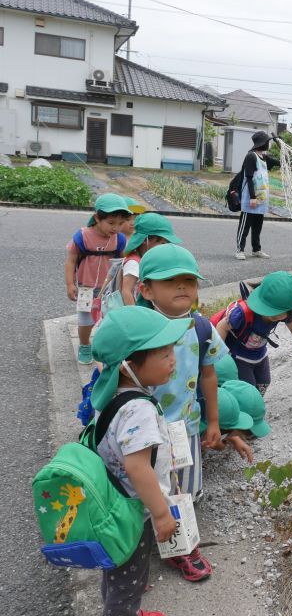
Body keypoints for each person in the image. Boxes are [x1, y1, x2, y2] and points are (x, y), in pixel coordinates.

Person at [90, 305, 190, 616]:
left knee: (120, 573)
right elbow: (137, 466)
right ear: (129, 363)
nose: (173, 359)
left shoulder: (115, 395)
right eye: (164, 353)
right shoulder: (140, 410)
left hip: (116, 505)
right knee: (128, 578)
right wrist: (161, 514)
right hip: (131, 511)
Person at [137, 244, 228, 582]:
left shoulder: (201, 328)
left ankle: (181, 548)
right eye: (171, 281)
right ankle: (133, 557)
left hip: (185, 428)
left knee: (182, 491)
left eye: (189, 281)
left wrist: (213, 421)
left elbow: (208, 375)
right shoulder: (137, 328)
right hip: (141, 431)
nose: (182, 288)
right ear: (146, 289)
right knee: (140, 488)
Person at [213, 271, 292, 396]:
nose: (279, 316)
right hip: (238, 356)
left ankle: (256, 404)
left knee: (264, 382)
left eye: (282, 312)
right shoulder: (242, 313)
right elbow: (222, 326)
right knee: (247, 388)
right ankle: (246, 407)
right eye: (272, 311)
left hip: (259, 354)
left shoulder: (285, 312)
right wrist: (218, 353)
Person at [65, 193, 132, 364]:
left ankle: (107, 346)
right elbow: (71, 260)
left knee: (109, 318)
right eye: (111, 223)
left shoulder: (120, 240)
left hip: (109, 288)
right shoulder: (82, 236)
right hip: (85, 287)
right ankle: (85, 345)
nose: (115, 228)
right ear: (97, 218)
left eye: (120, 223)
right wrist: (70, 284)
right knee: (85, 320)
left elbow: (123, 263)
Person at [235, 130, 280, 261]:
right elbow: (248, 178)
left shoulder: (264, 157)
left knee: (257, 226)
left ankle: (256, 249)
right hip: (251, 198)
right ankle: (240, 249)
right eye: (267, 142)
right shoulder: (251, 156)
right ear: (262, 143)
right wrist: (252, 197)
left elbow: (280, 162)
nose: (268, 144)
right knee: (245, 225)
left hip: (262, 199)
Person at [121, 213, 182, 307]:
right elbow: (126, 291)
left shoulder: (148, 260)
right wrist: (133, 316)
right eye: (161, 243)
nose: (165, 247)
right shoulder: (134, 263)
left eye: (167, 243)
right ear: (145, 240)